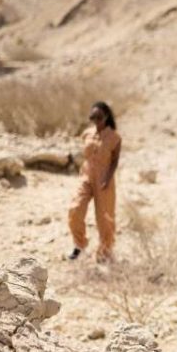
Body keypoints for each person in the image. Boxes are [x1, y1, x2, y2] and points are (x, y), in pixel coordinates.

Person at [68, 101, 121, 263]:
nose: (96, 120)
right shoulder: (87, 134)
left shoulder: (114, 137)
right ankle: (79, 245)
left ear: (106, 116)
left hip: (104, 178)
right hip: (86, 175)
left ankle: (105, 251)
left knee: (105, 217)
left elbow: (114, 161)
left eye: (99, 117)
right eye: (93, 117)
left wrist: (107, 177)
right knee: (75, 209)